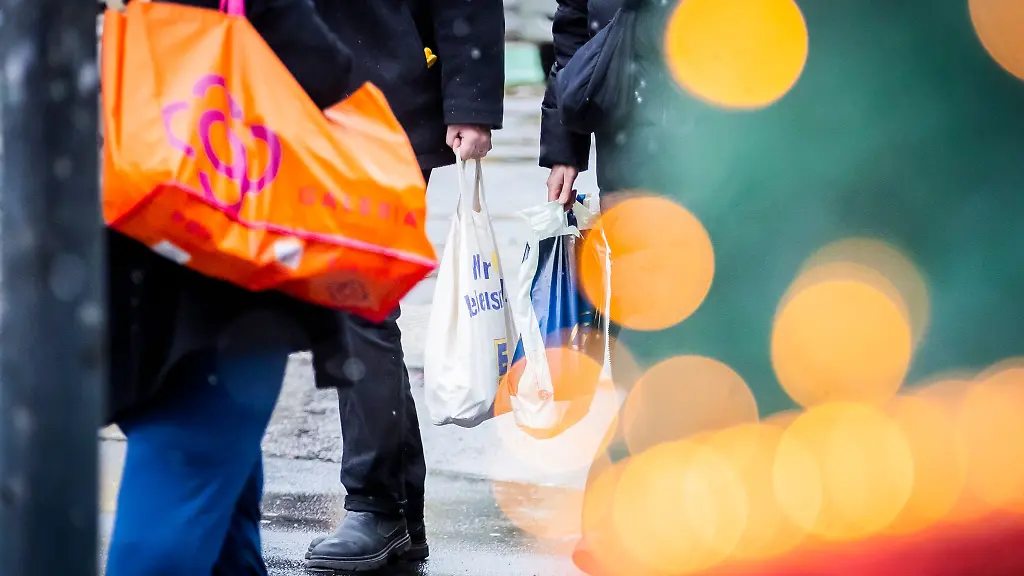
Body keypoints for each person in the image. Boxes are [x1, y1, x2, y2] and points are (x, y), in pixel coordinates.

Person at [103, 0, 359, 573]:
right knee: (192, 515)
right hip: (217, 289)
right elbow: (319, 66)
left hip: (145, 292)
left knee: (198, 518)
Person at [303, 0, 506, 572]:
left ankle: (377, 505)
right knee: (354, 305)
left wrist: (470, 103)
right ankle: (396, 509)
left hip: (376, 101)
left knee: (358, 302)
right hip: (298, 102)